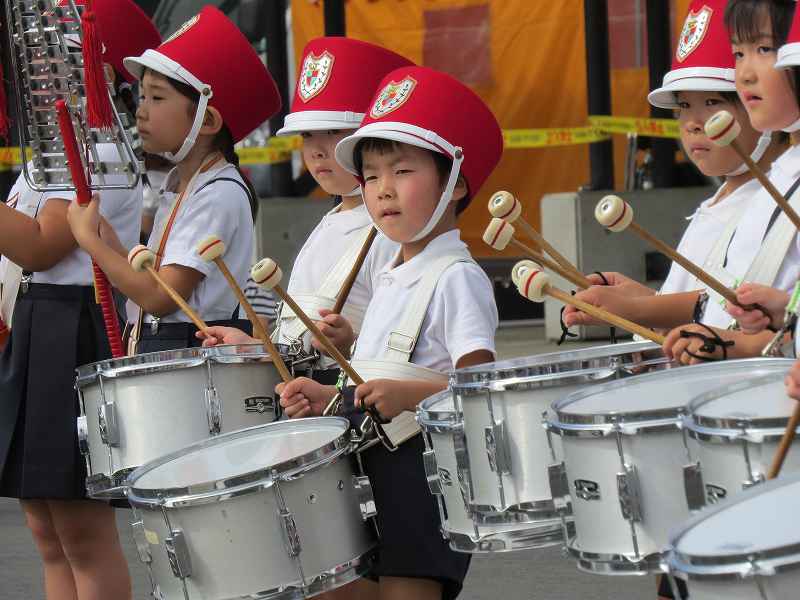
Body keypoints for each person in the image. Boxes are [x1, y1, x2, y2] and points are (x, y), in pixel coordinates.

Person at [275, 65, 502, 600]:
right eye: (372, 176)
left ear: (455, 184)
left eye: (402, 171)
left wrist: (408, 395)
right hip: (376, 467)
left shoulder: (457, 276)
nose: (383, 190)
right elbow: (376, 375)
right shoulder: (393, 274)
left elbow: (482, 392)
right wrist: (329, 397)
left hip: (426, 475)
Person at [0, 2, 159, 598]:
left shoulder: (102, 152)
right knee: (46, 527)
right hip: (37, 324)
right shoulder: (48, 156)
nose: (42, 75)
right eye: (38, 61)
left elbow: (41, 246)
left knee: (80, 530)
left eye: (58, 60)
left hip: (73, 329)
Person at [563, 0, 787, 335]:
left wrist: (641, 308)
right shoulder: (721, 200)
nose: (692, 123)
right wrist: (643, 298)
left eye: (712, 102)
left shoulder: (773, 199)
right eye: (683, 105)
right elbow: (705, 308)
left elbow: (736, 308)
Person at [68, 6, 281, 353]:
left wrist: (90, 243)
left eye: (157, 97)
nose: (141, 110)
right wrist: (112, 245)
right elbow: (153, 277)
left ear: (207, 121)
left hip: (189, 353)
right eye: (142, 96)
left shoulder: (218, 193)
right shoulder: (186, 184)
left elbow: (160, 297)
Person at [662, 0, 800, 364]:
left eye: (765, 49)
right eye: (739, 53)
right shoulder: (782, 175)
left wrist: (749, 344)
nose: (745, 74)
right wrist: (782, 314)